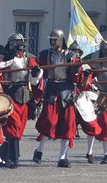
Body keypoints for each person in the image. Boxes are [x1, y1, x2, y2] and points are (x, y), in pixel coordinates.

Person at [33, 29, 79, 168]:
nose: (52, 42)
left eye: (55, 39)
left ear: (60, 40)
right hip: (52, 88)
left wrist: (77, 69)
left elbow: (75, 75)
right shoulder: (45, 54)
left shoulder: (71, 55)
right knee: (49, 122)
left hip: (66, 90)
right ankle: (40, 150)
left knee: (67, 124)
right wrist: (35, 70)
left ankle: (62, 158)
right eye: (51, 39)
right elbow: (37, 66)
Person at [0, 33, 42, 168]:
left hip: (24, 96)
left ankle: (5, 152)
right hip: (10, 95)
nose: (19, 47)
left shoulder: (29, 58)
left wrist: (35, 72)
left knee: (20, 128)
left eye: (20, 44)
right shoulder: (5, 58)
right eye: (16, 43)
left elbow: (34, 79)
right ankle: (14, 157)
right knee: (13, 128)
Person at [70, 41, 102, 164]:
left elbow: (84, 86)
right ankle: (41, 151)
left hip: (82, 99)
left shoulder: (85, 67)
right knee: (61, 127)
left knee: (92, 126)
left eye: (77, 52)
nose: (75, 54)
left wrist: (85, 76)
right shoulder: (65, 65)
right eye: (73, 52)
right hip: (68, 98)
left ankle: (89, 152)